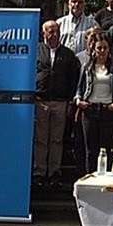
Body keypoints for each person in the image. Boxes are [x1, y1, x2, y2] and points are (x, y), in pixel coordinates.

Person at [33, 20, 80, 188]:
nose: (54, 35)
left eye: (56, 31)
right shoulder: (36, 51)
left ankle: (54, 171)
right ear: (43, 33)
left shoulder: (67, 54)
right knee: (41, 138)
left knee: (57, 139)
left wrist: (69, 101)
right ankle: (39, 171)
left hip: (60, 102)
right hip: (41, 101)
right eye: (50, 31)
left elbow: (72, 79)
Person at [74, 33, 113, 173]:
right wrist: (78, 100)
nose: (102, 51)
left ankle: (104, 180)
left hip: (108, 110)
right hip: (90, 109)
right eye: (99, 48)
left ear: (109, 49)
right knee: (91, 150)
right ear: (93, 49)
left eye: (104, 48)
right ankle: (89, 177)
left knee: (106, 149)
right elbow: (79, 87)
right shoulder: (87, 67)